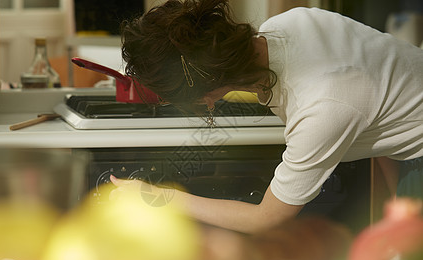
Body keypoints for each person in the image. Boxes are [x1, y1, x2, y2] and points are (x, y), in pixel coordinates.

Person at [114, 0, 423, 234]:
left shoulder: (322, 104)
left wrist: (160, 197)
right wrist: (396, 205)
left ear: (204, 94)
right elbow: (386, 91)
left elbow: (266, 217)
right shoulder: (289, 23)